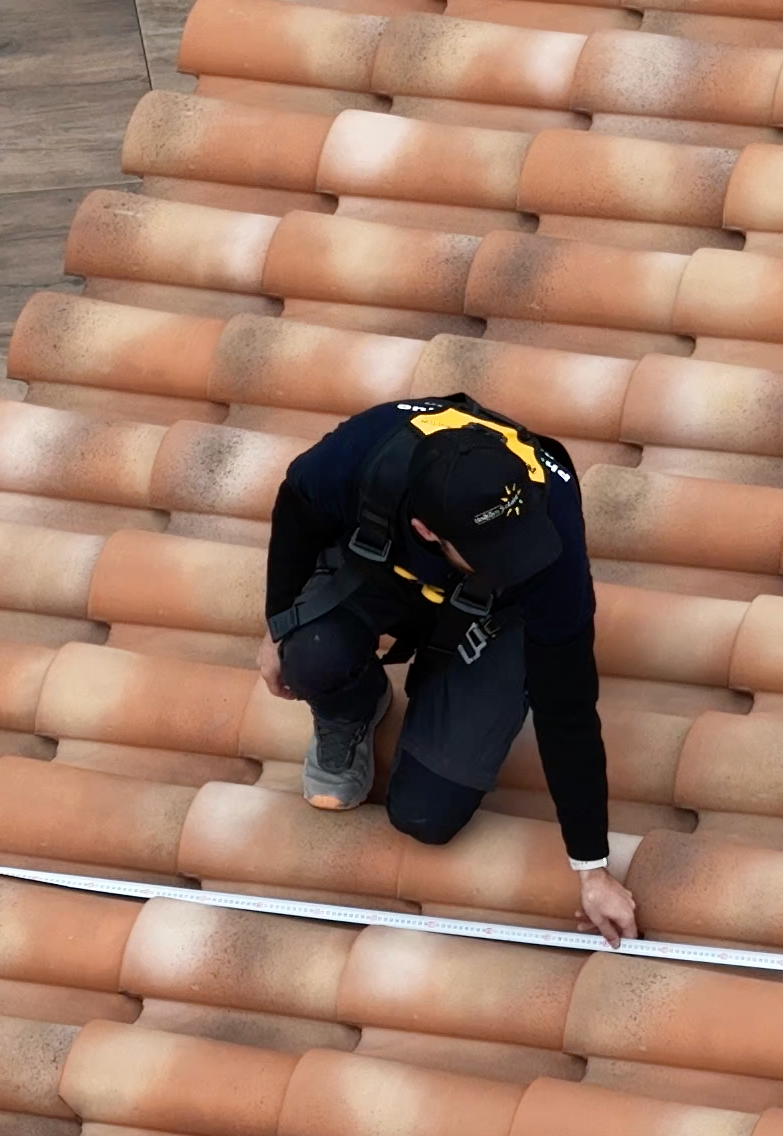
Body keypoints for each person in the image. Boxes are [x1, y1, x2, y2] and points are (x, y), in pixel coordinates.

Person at [257, 393, 638, 946]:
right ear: (428, 529)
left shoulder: (549, 533)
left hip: (493, 616)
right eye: (498, 555)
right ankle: (353, 708)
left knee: (425, 816)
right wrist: (278, 623)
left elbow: (568, 703)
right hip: (385, 569)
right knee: (308, 655)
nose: (518, 563)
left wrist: (592, 868)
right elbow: (296, 510)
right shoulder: (360, 453)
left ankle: (452, 686)